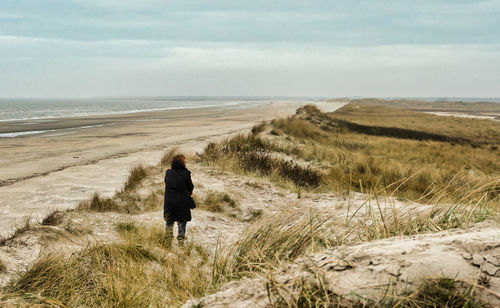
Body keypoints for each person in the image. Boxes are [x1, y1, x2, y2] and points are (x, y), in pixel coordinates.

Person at [163, 154, 195, 244]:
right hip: (182, 202)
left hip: (169, 201)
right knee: (182, 221)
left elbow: (166, 183)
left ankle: (167, 241)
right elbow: (191, 187)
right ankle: (180, 242)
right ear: (182, 162)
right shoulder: (186, 174)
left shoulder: (168, 173)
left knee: (169, 220)